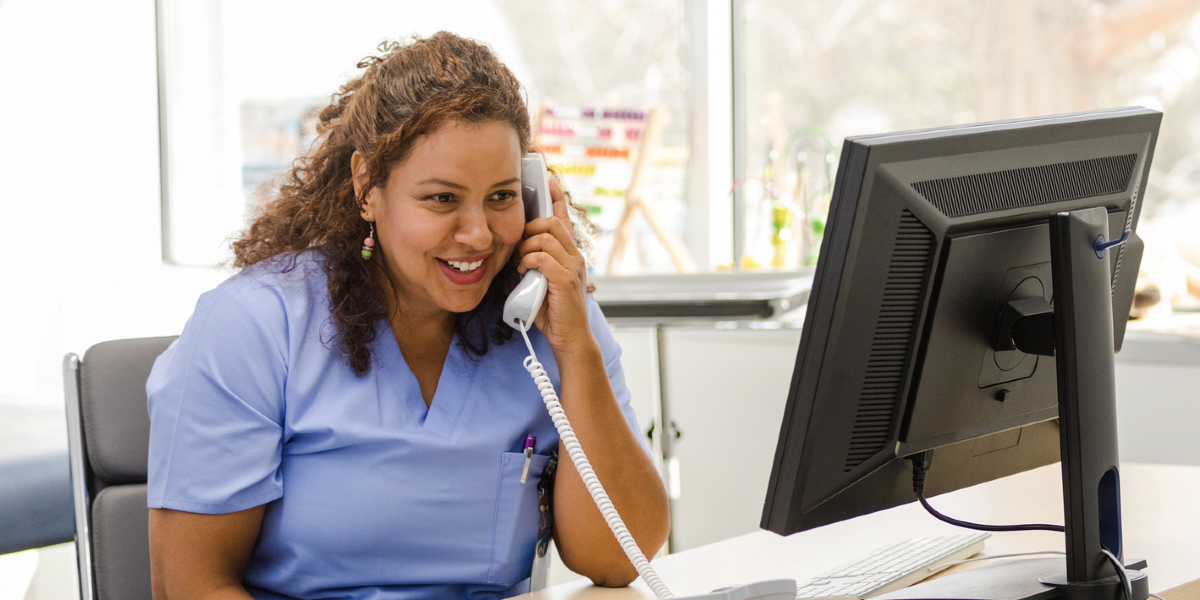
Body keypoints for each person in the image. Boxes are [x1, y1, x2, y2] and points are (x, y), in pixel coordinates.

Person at [145, 32, 669, 600]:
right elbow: (189, 585)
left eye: (502, 197)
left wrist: (576, 350)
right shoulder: (253, 326)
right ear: (367, 187)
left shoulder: (547, 320)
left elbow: (617, 561)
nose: (477, 235)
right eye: (442, 199)